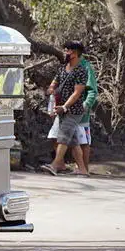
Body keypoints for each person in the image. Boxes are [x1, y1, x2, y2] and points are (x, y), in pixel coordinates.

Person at [41, 41, 89, 176]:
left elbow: (77, 93)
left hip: (73, 111)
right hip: (60, 109)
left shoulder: (81, 71)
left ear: (75, 53)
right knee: (73, 141)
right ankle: (83, 170)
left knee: (62, 137)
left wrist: (65, 106)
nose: (66, 52)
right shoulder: (63, 68)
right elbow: (54, 82)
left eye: (68, 50)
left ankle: (56, 164)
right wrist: (51, 89)